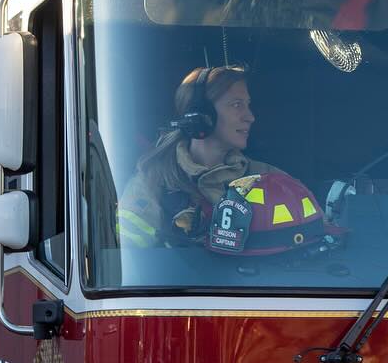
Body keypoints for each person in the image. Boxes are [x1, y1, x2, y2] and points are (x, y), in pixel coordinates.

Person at [117, 65, 280, 247]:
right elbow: (125, 259)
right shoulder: (153, 182)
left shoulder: (267, 179)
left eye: (247, 105)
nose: (250, 117)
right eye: (236, 105)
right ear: (203, 114)